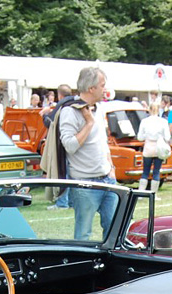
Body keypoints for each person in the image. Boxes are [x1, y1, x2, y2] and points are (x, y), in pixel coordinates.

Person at [58, 66, 117, 239]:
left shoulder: (98, 109)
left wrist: (111, 168)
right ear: (92, 88)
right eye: (102, 85)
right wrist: (89, 123)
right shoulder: (70, 111)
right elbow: (69, 145)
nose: (105, 89)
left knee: (115, 231)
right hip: (85, 184)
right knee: (83, 235)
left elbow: (103, 142)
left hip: (108, 179)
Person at [136, 100, 170, 193]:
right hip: (159, 147)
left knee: (145, 171)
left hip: (148, 147)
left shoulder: (144, 121)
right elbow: (167, 136)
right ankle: (154, 193)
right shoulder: (163, 121)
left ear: (149, 109)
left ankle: (141, 192)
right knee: (156, 171)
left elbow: (140, 137)